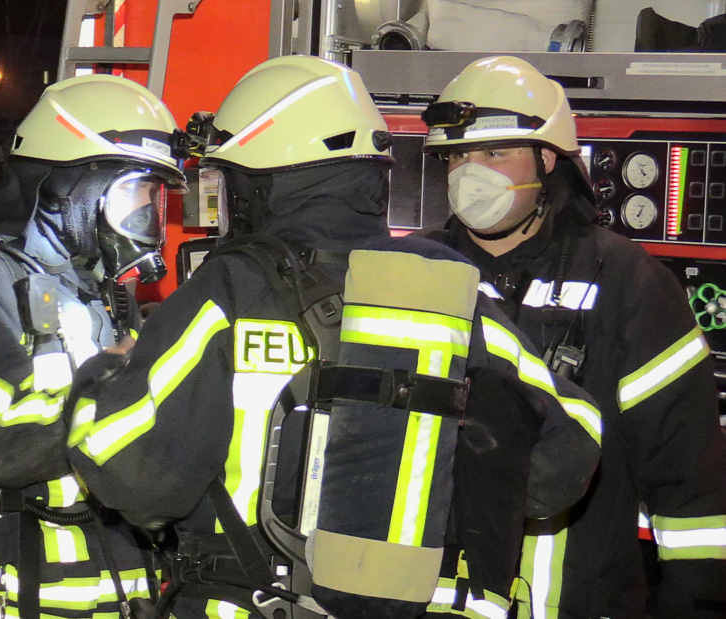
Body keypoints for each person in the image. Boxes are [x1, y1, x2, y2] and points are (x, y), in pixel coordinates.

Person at [66, 55, 601, 619]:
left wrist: (103, 376)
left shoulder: (228, 289)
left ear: (262, 180)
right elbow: (568, 457)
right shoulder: (444, 288)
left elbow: (135, 477)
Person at [419, 55, 726, 618]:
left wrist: (698, 603)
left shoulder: (628, 285)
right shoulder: (416, 274)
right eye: (457, 156)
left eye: (494, 152)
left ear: (547, 159)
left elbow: (689, 480)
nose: (469, 173)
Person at [0, 73, 188, 619]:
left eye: (153, 196)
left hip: (98, 581)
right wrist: (122, 381)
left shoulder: (102, 296)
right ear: (71, 187)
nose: (147, 211)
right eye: (136, 190)